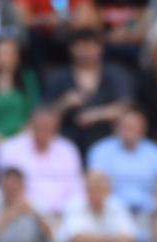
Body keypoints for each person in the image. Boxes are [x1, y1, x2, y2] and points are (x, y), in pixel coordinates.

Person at [43, 26, 132, 156]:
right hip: (65, 143)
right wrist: (64, 104)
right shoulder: (58, 77)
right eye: (81, 47)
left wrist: (96, 115)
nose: (85, 52)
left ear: (100, 48)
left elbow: (126, 107)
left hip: (109, 142)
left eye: (90, 47)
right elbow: (44, 116)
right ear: (71, 49)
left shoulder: (115, 74)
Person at [0, 106, 83, 218]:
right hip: (25, 214)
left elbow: (76, 188)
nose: (45, 131)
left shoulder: (68, 150)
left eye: (49, 127)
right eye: (41, 126)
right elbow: (9, 189)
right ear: (30, 125)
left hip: (64, 215)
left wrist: (64, 213)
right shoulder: (9, 149)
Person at [86, 107, 157, 214]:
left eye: (134, 127)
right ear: (116, 128)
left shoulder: (156, 153)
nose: (129, 131)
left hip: (149, 211)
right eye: (126, 127)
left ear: (144, 129)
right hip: (111, 212)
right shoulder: (101, 151)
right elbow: (96, 185)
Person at [0, 164, 53, 242]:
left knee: (26, 222)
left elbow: (54, 239)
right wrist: (11, 213)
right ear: (1, 186)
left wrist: (36, 217)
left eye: (16, 188)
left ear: (23, 187)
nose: (12, 191)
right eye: (9, 188)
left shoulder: (34, 201)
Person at [58, 168, 137, 242]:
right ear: (86, 189)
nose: (96, 192)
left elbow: (129, 238)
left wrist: (98, 240)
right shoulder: (75, 204)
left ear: (109, 190)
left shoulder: (116, 205)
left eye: (100, 187)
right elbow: (79, 239)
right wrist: (113, 239)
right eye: (92, 187)